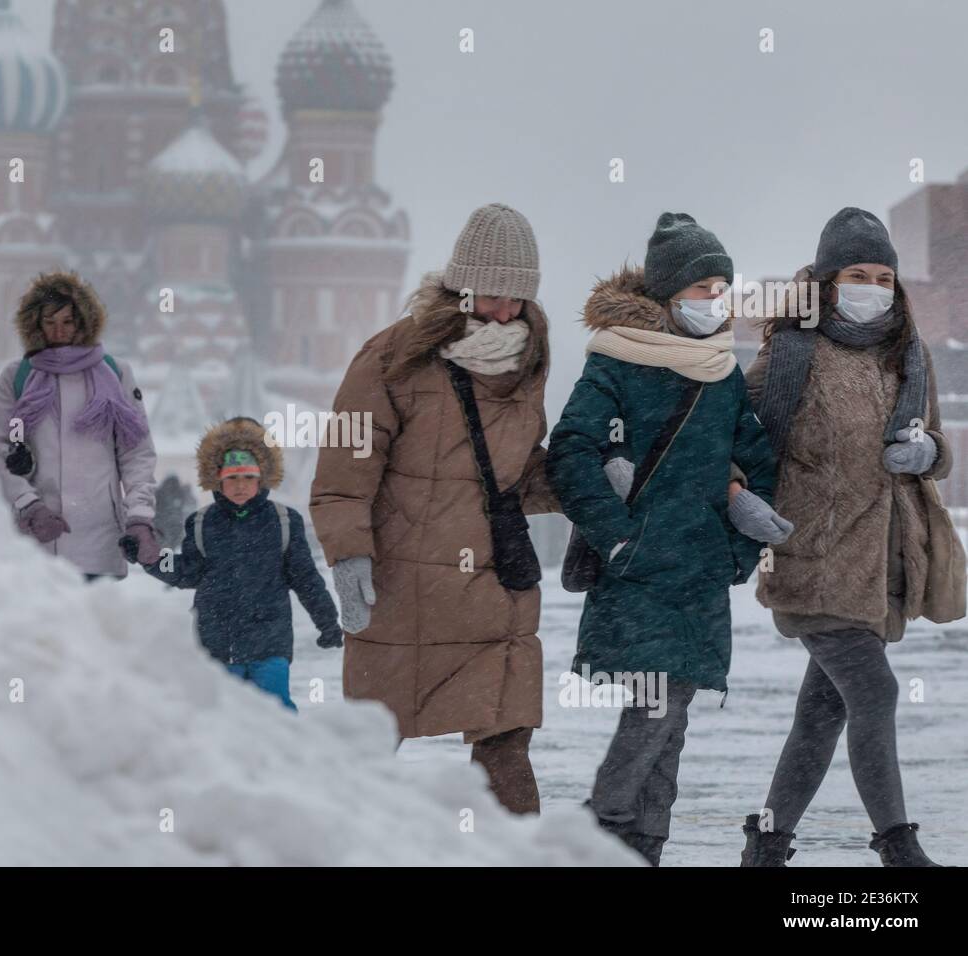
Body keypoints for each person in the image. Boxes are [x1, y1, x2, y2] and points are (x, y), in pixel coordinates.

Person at [547, 213, 786, 864]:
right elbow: (569, 451)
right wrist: (619, 539)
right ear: (669, 294)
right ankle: (602, 831)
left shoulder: (721, 372)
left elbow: (759, 464)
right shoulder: (619, 363)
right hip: (640, 571)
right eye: (703, 288)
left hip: (701, 575)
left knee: (670, 719)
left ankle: (643, 845)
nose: (716, 302)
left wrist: (738, 554)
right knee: (659, 705)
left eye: (722, 288)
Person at [310, 203, 559, 814]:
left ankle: (523, 861)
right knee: (371, 746)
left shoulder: (528, 360)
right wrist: (348, 555)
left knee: (506, 747)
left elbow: (513, 475)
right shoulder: (394, 357)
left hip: (494, 591)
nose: (505, 311)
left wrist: (587, 479)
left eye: (518, 299)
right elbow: (345, 471)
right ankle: (332, 848)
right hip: (401, 590)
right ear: (461, 286)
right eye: (493, 295)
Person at [739, 207, 962, 867]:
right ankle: (899, 848)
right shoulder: (793, 352)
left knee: (823, 713)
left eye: (883, 274)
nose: (873, 285)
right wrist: (738, 498)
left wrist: (927, 455)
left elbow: (935, 441)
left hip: (884, 559)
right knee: (876, 692)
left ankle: (768, 844)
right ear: (829, 281)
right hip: (809, 556)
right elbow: (737, 437)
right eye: (858, 273)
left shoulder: (909, 352)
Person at [129, 417, 342, 710]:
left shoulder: (283, 522)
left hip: (270, 643)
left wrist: (327, 621)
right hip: (217, 644)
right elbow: (185, 570)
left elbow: (306, 578)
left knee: (274, 709)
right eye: (232, 478)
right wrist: (151, 558)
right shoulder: (202, 523)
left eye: (247, 478)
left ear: (262, 478)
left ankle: (281, 754)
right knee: (225, 716)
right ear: (217, 479)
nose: (240, 486)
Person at [0, 272, 158, 579]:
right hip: (37, 541)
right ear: (36, 324)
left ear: (84, 322)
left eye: (67, 321)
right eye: (49, 322)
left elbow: (136, 453)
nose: (59, 331)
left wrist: (140, 517)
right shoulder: (17, 376)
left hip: (101, 541)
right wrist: (29, 505)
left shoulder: (116, 374)